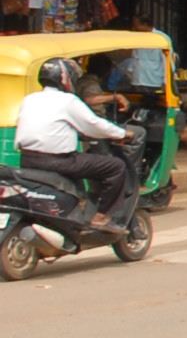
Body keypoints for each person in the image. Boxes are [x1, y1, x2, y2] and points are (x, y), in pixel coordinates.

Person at [16, 58, 131, 225]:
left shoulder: (29, 99)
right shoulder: (68, 101)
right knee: (115, 167)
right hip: (58, 162)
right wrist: (122, 134)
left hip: (27, 160)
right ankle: (102, 215)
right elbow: (94, 125)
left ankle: (78, 204)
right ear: (65, 78)